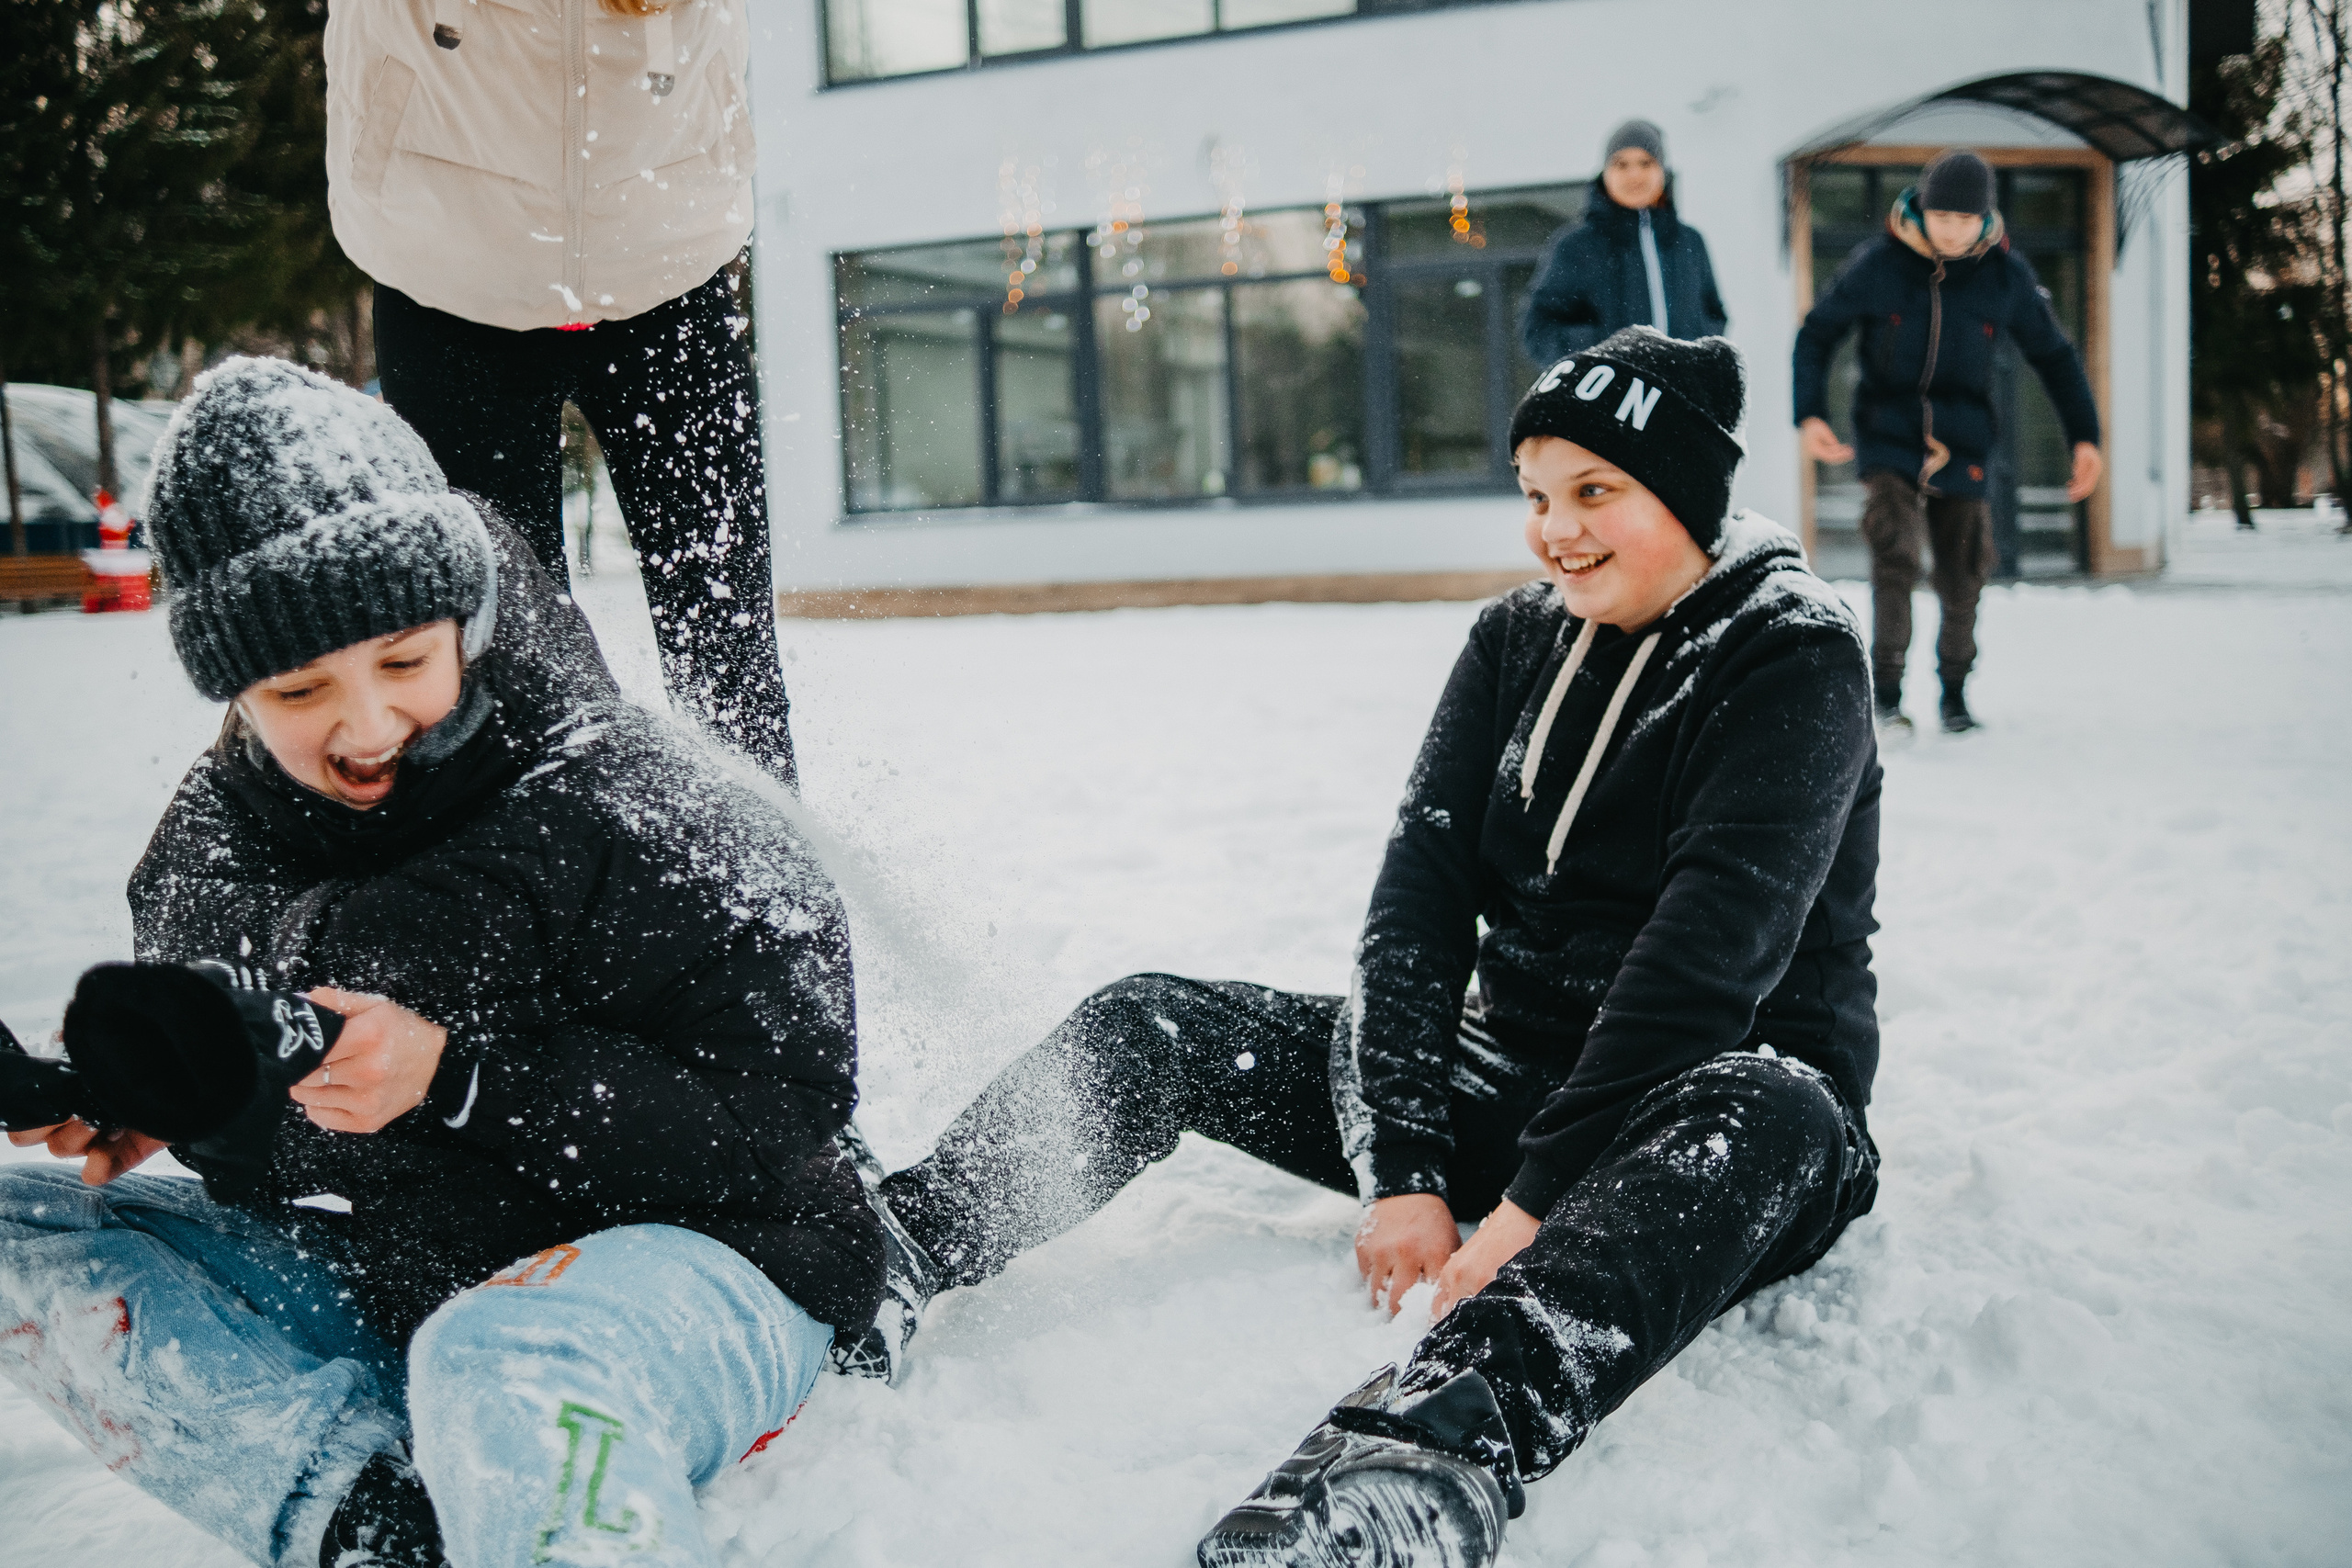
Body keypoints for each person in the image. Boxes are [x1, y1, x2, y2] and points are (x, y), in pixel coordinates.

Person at [850, 329, 1883, 1568]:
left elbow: (1712, 956)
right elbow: (1421, 899)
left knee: (1766, 1100)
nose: (1556, 530)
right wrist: (1405, 1163)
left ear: (1689, 496)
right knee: (1156, 1018)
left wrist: (1523, 1214)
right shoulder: (1517, 639)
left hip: (1715, 1123)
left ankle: (1412, 1470)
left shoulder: (1794, 653)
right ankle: (874, 1252)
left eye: (1594, 491)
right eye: (1538, 497)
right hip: (1506, 1076)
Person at [0, 358, 880, 1568]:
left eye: (405, 660)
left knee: (495, 1354)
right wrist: (176, 1099)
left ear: (461, 620)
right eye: (302, 686)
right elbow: (283, 1144)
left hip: (709, 1274)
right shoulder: (201, 855)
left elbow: (787, 1106)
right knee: (15, 1223)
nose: (365, 727)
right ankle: (373, 1523)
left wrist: (467, 1079)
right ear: (233, 687)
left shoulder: (630, 800)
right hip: (403, 1284)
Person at [328, 0, 800, 784]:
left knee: (729, 657)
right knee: (507, 672)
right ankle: (544, 891)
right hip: (451, 269)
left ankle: (775, 894)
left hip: (665, 255)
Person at [1792, 148, 2104, 736]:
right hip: (1889, 431)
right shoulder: (1878, 264)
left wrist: (2085, 437)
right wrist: (1808, 413)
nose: (1953, 231)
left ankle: (1955, 694)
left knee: (1964, 570)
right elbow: (1818, 331)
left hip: (1964, 438)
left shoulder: (2005, 276)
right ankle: (1886, 694)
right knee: (1896, 555)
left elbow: (2055, 356)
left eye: (1966, 220)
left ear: (1985, 219)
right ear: (1922, 209)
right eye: (1943, 217)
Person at [1519, 119, 1727, 364]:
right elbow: (1539, 327)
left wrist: (1698, 363)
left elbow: (1714, 317)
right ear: (1605, 173)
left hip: (1680, 397)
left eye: (1645, 163)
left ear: (1662, 170)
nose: (1634, 174)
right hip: (1608, 397)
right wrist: (1598, 354)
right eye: (1621, 164)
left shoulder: (1690, 243)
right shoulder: (1576, 246)